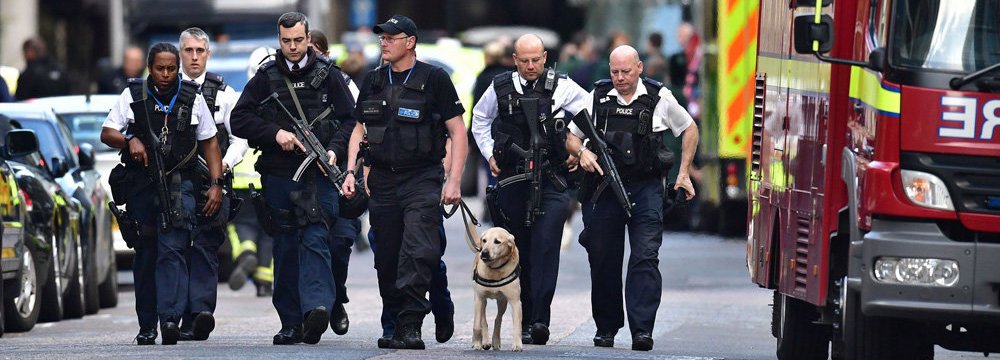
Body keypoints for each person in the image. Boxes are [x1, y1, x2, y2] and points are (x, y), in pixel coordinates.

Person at [340, 14, 467, 350]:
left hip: (422, 179)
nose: (384, 42)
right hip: (382, 180)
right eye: (382, 37)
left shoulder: (435, 79)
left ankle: (410, 325)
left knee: (418, 251)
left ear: (409, 42)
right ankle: (395, 320)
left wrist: (453, 181)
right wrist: (352, 172)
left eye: (391, 37)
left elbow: (457, 131)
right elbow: (358, 130)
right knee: (387, 257)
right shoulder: (373, 80)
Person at [230, 12, 356, 346]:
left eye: (298, 40)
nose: (293, 46)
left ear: (307, 36)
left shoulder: (330, 76)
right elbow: (239, 119)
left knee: (316, 238)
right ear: (279, 39)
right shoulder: (266, 77)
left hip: (320, 174)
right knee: (284, 248)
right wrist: (275, 134)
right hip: (281, 174)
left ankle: (316, 308)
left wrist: (333, 150)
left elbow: (350, 121)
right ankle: (290, 322)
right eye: (286, 41)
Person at [566, 45, 698, 351]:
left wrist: (684, 172)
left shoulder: (659, 97)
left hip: (646, 188)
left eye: (626, 71)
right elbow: (572, 136)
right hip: (604, 188)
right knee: (603, 258)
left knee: (645, 257)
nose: (620, 78)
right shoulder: (597, 97)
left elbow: (690, 129)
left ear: (639, 68)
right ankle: (606, 327)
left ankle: (642, 330)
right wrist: (582, 152)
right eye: (615, 72)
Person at [101, 42, 224, 345]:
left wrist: (216, 184)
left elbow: (209, 143)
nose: (166, 74)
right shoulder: (133, 94)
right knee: (146, 255)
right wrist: (129, 139)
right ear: (149, 68)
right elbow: (107, 132)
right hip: (142, 184)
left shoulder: (192, 98)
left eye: (172, 68)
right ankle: (147, 325)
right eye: (160, 68)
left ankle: (169, 318)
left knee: (173, 250)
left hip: (180, 183)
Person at [471, 33, 590, 345]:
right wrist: (489, 155)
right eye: (524, 60)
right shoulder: (499, 86)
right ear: (514, 59)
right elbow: (479, 120)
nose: (530, 65)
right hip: (513, 179)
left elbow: (591, 115)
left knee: (546, 246)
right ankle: (523, 320)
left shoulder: (562, 86)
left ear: (545, 58)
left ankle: (539, 320)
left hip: (551, 180)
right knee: (517, 247)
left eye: (536, 59)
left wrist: (580, 148)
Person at [176, 27, 249, 341]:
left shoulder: (224, 93)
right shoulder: (166, 88)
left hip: (213, 184)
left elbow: (239, 138)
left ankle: (200, 313)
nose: (194, 57)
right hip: (176, 184)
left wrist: (224, 166)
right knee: (175, 249)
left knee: (205, 247)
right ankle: (174, 316)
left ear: (208, 53)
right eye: (189, 51)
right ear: (181, 53)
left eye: (200, 51)